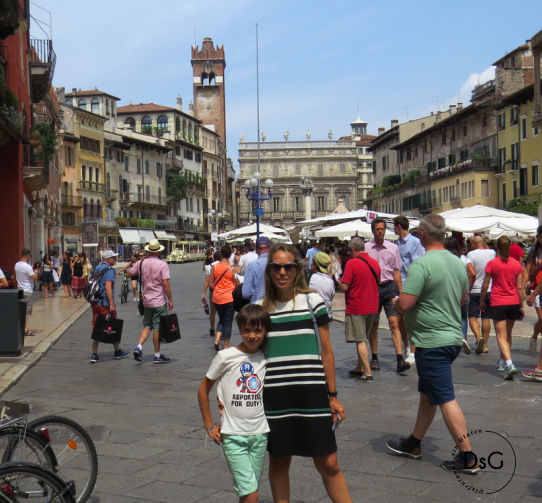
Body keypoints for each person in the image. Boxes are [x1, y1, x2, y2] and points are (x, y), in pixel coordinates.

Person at [386, 214, 478, 474]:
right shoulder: (458, 263)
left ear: (422, 235)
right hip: (452, 339)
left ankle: (468, 455)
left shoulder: (421, 265)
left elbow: (405, 304)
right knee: (428, 394)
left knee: (445, 398)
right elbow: (462, 300)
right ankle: (414, 443)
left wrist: (396, 303)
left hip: (431, 341)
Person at [259, 243, 351, 503]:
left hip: (311, 394)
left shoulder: (313, 301)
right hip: (275, 396)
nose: (282, 272)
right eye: (276, 267)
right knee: (278, 461)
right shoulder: (261, 309)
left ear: (297, 269)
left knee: (329, 462)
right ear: (269, 271)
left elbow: (327, 352)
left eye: (288, 266)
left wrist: (332, 395)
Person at [198, 304, 271, 503]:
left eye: (258, 331)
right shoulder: (225, 356)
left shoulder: (267, 357)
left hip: (260, 434)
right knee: (252, 494)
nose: (252, 336)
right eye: (247, 330)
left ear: (265, 331)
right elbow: (203, 390)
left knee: (248, 490)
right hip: (233, 437)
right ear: (240, 330)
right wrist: (209, 425)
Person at [366, 217, 410, 373]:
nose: (380, 232)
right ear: (373, 231)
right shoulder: (366, 248)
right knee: (374, 324)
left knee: (394, 323)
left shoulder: (393, 248)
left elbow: (397, 271)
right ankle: (375, 357)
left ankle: (399, 358)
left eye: (382, 229)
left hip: (389, 287)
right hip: (373, 289)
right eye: (377, 229)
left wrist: (401, 291)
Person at [481, 236, 524, 380]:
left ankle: (510, 364)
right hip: (513, 301)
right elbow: (519, 287)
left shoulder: (492, 263)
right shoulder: (517, 264)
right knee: (508, 335)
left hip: (498, 301)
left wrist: (482, 300)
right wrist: (521, 305)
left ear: (497, 247)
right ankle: (502, 361)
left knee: (500, 335)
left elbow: (486, 285)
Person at [340, 238, 380, 382]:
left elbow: (345, 286)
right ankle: (359, 367)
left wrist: (337, 279)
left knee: (360, 339)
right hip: (373, 306)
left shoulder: (352, 263)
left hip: (357, 306)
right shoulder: (374, 263)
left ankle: (367, 373)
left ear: (352, 250)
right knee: (364, 337)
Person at [129, 240, 174, 364]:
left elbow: (130, 273)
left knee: (147, 325)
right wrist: (170, 299)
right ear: (159, 251)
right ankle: (157, 355)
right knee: (157, 327)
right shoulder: (162, 265)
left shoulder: (141, 262)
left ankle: (139, 347)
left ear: (148, 251)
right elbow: (165, 283)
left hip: (146, 300)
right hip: (159, 300)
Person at [393, 215, 424, 365]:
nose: (393, 229)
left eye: (394, 226)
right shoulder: (396, 243)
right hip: (400, 285)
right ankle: (406, 347)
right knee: (400, 320)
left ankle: (413, 350)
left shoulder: (415, 242)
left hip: (411, 284)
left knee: (411, 319)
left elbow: (417, 265)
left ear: (399, 226)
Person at [89, 250, 129, 363]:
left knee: (96, 326)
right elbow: (108, 287)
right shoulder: (110, 270)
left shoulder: (98, 268)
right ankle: (117, 352)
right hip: (105, 304)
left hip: (96, 303)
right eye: (113, 257)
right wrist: (112, 304)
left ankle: (94, 354)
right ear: (108, 259)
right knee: (112, 326)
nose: (115, 259)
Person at [444, 237, 476, 354]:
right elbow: (473, 273)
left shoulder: (445, 259)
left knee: (449, 314)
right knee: (463, 316)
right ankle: (463, 338)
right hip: (463, 291)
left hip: (449, 291)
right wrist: (469, 288)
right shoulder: (464, 258)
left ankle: (450, 338)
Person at [467, 235, 496, 355]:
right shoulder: (492, 253)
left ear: (474, 243)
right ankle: (485, 344)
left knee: (473, 316)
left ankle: (479, 337)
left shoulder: (471, 255)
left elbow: (470, 273)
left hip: (474, 289)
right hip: (489, 288)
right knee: (486, 316)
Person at [210, 245, 237, 351]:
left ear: (221, 253)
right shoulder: (231, 268)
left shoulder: (214, 267)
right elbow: (237, 283)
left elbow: (211, 284)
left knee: (221, 319)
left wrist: (218, 288)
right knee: (228, 322)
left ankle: (217, 340)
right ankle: (226, 345)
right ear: (230, 254)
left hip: (217, 298)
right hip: (229, 298)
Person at [524, 226, 542, 354]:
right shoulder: (534, 253)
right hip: (536, 288)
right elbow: (527, 272)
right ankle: (535, 335)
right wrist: (523, 287)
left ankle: (535, 334)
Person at [15, 249, 38, 337]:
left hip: (20, 289)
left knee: (21, 310)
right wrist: (35, 271)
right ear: (27, 255)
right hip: (27, 290)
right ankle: (25, 329)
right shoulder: (27, 267)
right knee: (26, 312)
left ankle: (22, 328)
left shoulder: (16, 265)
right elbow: (34, 277)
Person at [242, 237, 271, 303]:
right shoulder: (276, 264)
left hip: (258, 307)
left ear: (257, 249)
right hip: (275, 307)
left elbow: (246, 293)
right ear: (269, 249)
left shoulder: (252, 266)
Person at [309, 252, 335, 321]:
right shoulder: (330, 281)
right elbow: (332, 295)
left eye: (312, 262)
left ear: (315, 265)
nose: (311, 264)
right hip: (327, 315)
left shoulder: (312, 277)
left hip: (314, 316)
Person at [203, 251, 221, 337]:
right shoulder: (224, 265)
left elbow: (207, 281)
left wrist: (203, 293)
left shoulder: (209, 266)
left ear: (214, 257)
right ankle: (221, 329)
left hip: (212, 291)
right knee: (222, 312)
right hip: (222, 290)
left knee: (212, 312)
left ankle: (212, 329)